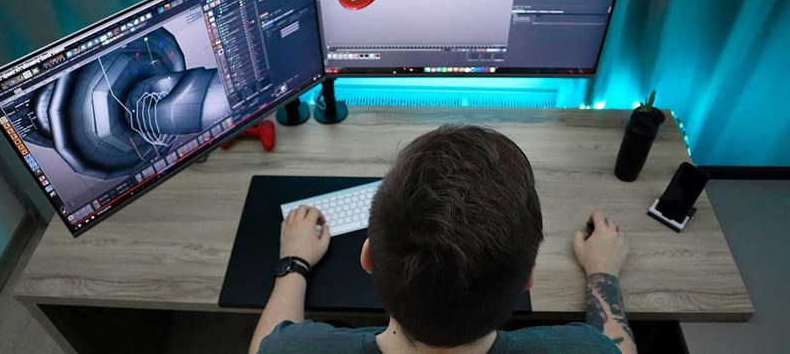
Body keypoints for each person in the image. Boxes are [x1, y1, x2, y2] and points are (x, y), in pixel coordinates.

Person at [249, 125, 636, 354]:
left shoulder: (293, 350)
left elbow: (264, 346)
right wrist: (604, 274)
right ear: (528, 279)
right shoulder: (586, 349)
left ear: (367, 256)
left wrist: (294, 263)